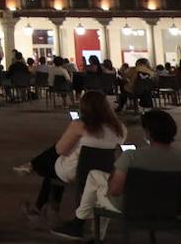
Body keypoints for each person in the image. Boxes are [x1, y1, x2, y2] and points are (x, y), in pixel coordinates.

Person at [61, 109, 180, 244]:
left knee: (99, 189)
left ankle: (88, 233)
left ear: (148, 133)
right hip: (171, 209)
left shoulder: (132, 156)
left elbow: (115, 190)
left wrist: (111, 179)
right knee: (97, 180)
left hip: (134, 207)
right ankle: (82, 227)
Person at [13, 90, 126, 221]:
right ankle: (44, 205)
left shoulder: (80, 125)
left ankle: (41, 195)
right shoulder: (120, 128)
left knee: (52, 163)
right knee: (53, 165)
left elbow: (60, 150)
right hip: (103, 172)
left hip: (77, 172)